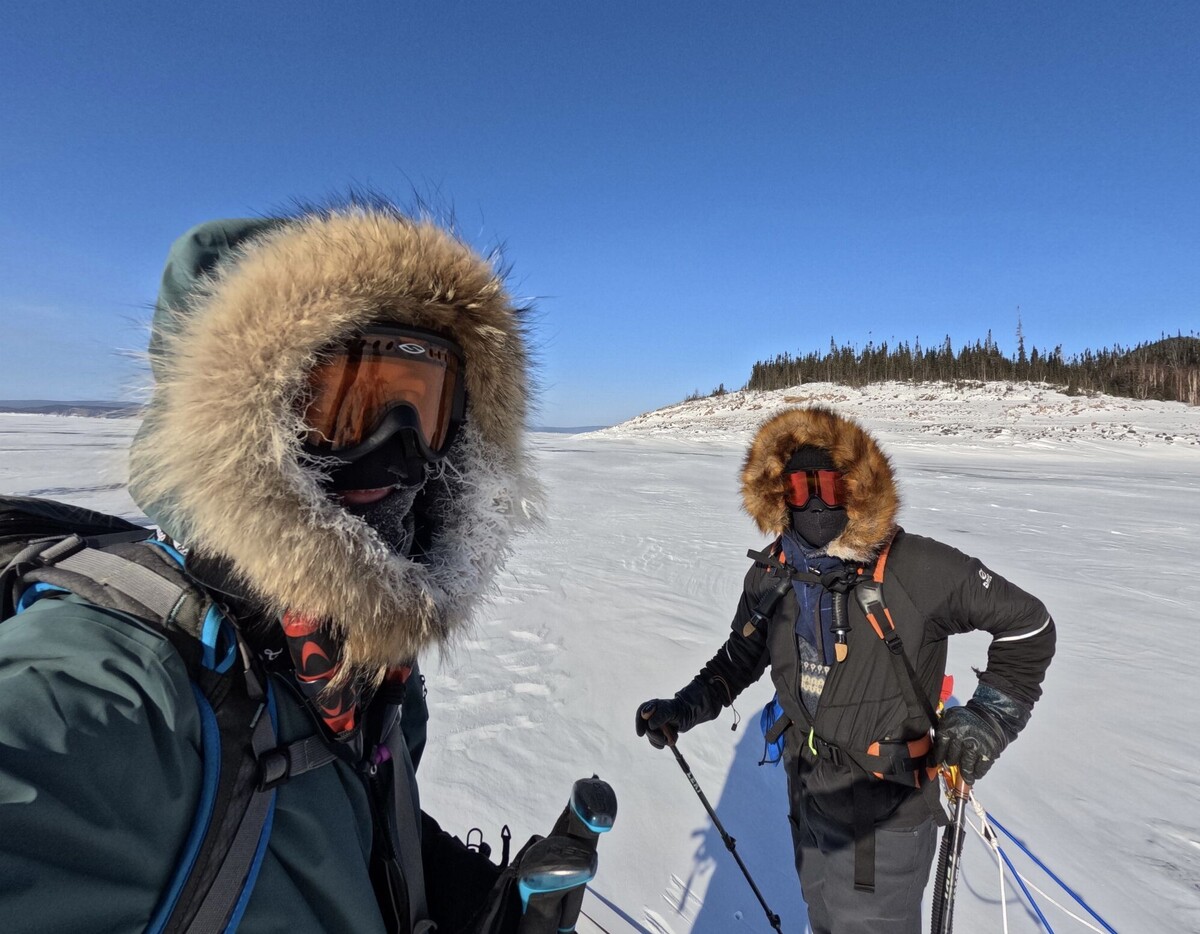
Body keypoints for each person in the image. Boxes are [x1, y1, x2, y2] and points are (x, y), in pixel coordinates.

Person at [0, 204, 597, 934]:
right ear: (251, 426)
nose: (399, 448)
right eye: (344, 407)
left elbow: (343, 814)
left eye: (422, 406)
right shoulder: (121, 692)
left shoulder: (363, 666)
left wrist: (460, 898)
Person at [636, 405, 1055, 934]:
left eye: (829, 487)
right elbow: (738, 658)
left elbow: (1029, 626)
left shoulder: (914, 568)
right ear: (779, 495)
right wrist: (684, 707)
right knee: (823, 921)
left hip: (886, 817)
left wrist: (989, 717)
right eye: (799, 488)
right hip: (806, 799)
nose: (814, 503)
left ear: (856, 490)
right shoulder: (772, 574)